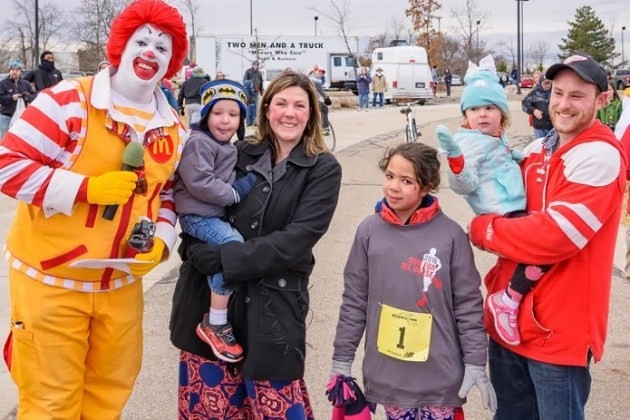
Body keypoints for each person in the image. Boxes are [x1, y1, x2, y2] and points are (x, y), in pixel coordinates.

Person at [0, 0, 188, 417]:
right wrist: (83, 189)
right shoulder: (67, 101)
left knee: (109, 396)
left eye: (163, 47)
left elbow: (170, 192)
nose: (150, 53)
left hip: (119, 286)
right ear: (121, 46)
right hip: (51, 281)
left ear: (172, 61)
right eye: (142, 41)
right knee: (51, 402)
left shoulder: (174, 127)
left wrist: (161, 241)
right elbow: (7, 166)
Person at [170, 70, 342, 418]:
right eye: (280, 103)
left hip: (272, 310)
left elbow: (295, 241)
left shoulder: (322, 169)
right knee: (209, 409)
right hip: (210, 307)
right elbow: (196, 205)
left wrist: (224, 257)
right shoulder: (237, 152)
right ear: (266, 110)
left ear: (311, 114)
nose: (289, 113)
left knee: (274, 407)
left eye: (299, 105)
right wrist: (192, 248)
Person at [468, 53, 626, 419]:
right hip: (508, 323)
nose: (563, 104)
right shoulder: (536, 150)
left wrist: (484, 230)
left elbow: (554, 236)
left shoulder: (600, 155)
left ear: (601, 100)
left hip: (559, 330)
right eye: (558, 93)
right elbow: (495, 198)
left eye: (577, 95)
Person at [331, 142, 496, 420]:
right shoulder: (369, 231)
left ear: (427, 185)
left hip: (438, 376)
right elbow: (354, 301)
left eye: (406, 181)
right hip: (390, 375)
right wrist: (342, 359)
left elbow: (468, 304)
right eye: (389, 176)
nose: (394, 186)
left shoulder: (451, 236)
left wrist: (476, 361)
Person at [437, 55, 549, 347]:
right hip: (499, 211)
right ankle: (508, 301)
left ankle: (507, 294)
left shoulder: (493, 138)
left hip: (512, 206)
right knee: (543, 250)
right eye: (474, 109)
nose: (483, 114)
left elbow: (499, 154)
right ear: (466, 115)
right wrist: (457, 162)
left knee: (535, 255)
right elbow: (465, 183)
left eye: (490, 108)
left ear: (502, 114)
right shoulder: (469, 142)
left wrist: (515, 155)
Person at [174, 79, 256, 364]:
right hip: (197, 216)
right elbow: (199, 182)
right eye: (218, 113)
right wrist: (234, 193)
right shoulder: (199, 142)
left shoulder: (225, 145)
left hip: (211, 214)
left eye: (233, 115)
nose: (225, 121)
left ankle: (220, 314)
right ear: (206, 114)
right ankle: (216, 321)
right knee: (233, 246)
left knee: (229, 250)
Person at [0, 61, 36, 137]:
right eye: (12, 70)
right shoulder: (2, 83)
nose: (14, 72)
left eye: (17, 70)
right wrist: (11, 98)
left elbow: (35, 95)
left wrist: (28, 97)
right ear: (9, 71)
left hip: (22, 117)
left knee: (20, 138)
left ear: (20, 72)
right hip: (6, 117)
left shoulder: (25, 83)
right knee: (5, 139)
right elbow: (1, 98)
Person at [521, 74, 553, 139]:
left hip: (552, 127)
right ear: (541, 83)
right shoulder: (534, 93)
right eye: (545, 83)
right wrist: (534, 110)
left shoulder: (554, 92)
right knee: (539, 146)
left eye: (548, 83)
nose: (547, 86)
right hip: (539, 128)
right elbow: (524, 104)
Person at [308, 66, 332, 133]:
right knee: (324, 108)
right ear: (315, 71)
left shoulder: (309, 77)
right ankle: (325, 129)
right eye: (320, 71)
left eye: (323, 72)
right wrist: (327, 98)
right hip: (311, 100)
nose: (321, 73)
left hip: (307, 100)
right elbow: (321, 91)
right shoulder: (315, 79)